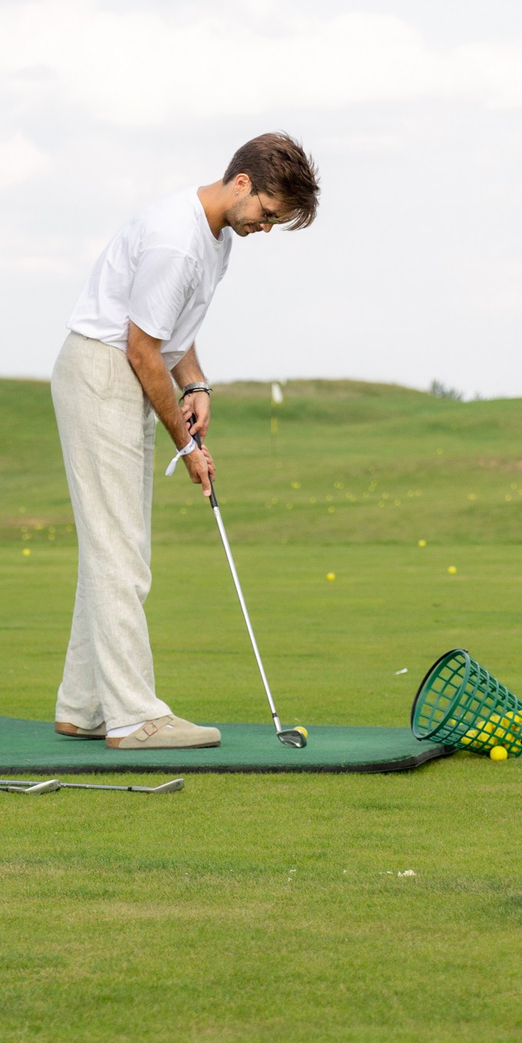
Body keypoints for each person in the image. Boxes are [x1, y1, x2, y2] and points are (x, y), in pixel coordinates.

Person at [51, 132, 318, 750]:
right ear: (243, 183)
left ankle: (84, 705)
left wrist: (195, 382)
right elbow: (142, 347)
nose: (267, 228)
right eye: (269, 213)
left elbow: (171, 335)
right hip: (102, 372)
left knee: (112, 545)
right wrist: (187, 445)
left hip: (119, 371)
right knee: (121, 552)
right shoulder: (177, 239)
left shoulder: (217, 236)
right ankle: (133, 717)